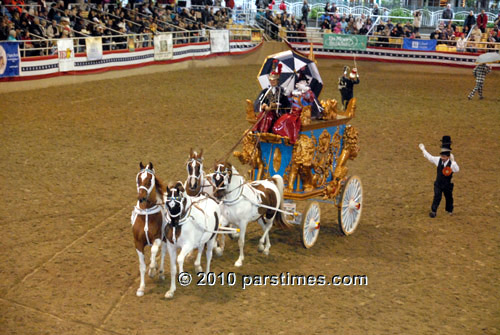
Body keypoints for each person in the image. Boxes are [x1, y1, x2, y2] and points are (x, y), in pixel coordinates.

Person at [419, 136, 459, 218]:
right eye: (442, 156)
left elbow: (457, 170)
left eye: (444, 157)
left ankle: (449, 210)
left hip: (447, 185)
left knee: (448, 197)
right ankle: (433, 211)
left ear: (448, 157)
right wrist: (423, 149)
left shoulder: (452, 164)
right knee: (437, 196)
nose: (442, 158)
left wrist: (453, 161)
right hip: (438, 184)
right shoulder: (438, 160)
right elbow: (430, 157)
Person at [253, 60, 290, 133]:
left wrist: (275, 105)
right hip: (266, 112)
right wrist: (263, 105)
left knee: (269, 118)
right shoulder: (265, 91)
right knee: (262, 117)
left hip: (277, 113)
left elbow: (287, 104)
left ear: (277, 81)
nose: (272, 82)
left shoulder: (282, 92)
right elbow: (260, 101)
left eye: (274, 81)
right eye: (271, 81)